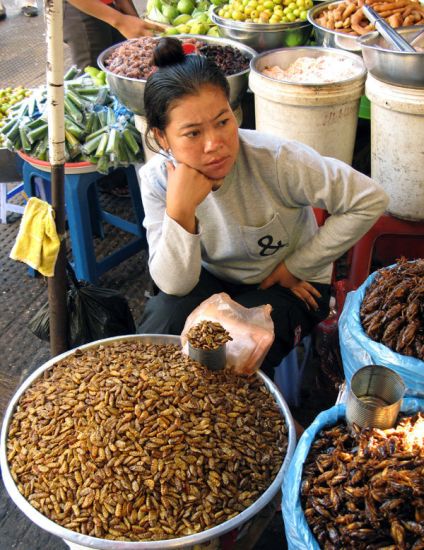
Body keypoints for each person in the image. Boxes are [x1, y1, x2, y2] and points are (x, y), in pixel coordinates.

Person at [137, 37, 389, 378]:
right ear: (162, 137)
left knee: (227, 359)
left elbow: (369, 198)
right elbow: (175, 285)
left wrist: (297, 264)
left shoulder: (276, 160)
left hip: (290, 285)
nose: (215, 144)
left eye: (223, 121)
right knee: (159, 333)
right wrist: (181, 211)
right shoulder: (157, 180)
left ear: (235, 112)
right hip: (212, 278)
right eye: (193, 133)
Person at [63, 0, 161, 69]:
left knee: (124, 66)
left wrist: (132, 18)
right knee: (90, 80)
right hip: (82, 6)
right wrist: (121, 21)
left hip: (111, 7)